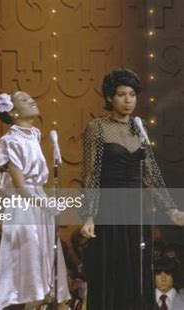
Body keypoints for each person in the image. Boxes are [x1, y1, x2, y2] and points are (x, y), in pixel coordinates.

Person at [79, 68, 184, 309]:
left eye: (132, 95)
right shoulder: (97, 127)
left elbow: (150, 176)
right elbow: (90, 174)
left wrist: (170, 210)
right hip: (108, 208)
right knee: (110, 270)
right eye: (121, 94)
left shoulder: (139, 127)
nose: (128, 100)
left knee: (137, 270)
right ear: (109, 98)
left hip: (137, 210)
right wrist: (89, 216)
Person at [0, 91, 70, 309]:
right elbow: (20, 186)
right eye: (25, 100)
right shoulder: (9, 140)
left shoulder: (34, 134)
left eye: (30, 97)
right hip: (23, 208)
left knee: (47, 263)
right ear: (13, 112)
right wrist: (45, 204)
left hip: (39, 203)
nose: (32, 100)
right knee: (28, 266)